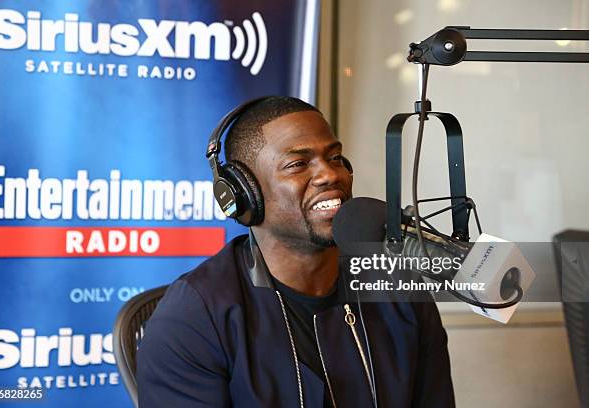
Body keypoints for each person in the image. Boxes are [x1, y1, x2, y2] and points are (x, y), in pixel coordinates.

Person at [137, 96, 455, 407]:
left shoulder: (399, 289)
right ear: (244, 194)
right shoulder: (194, 317)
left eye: (334, 158)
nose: (331, 175)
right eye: (298, 164)